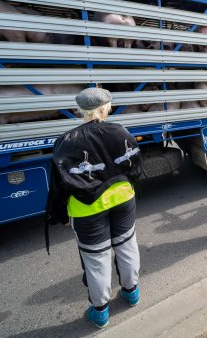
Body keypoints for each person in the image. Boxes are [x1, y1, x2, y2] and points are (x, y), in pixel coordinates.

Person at [45, 87, 143, 328]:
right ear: (104, 108)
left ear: (81, 111)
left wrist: (59, 215)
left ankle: (100, 312)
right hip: (123, 199)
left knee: (96, 259)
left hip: (87, 209)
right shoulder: (120, 131)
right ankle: (132, 293)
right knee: (127, 246)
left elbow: (59, 185)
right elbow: (136, 166)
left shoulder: (67, 141)